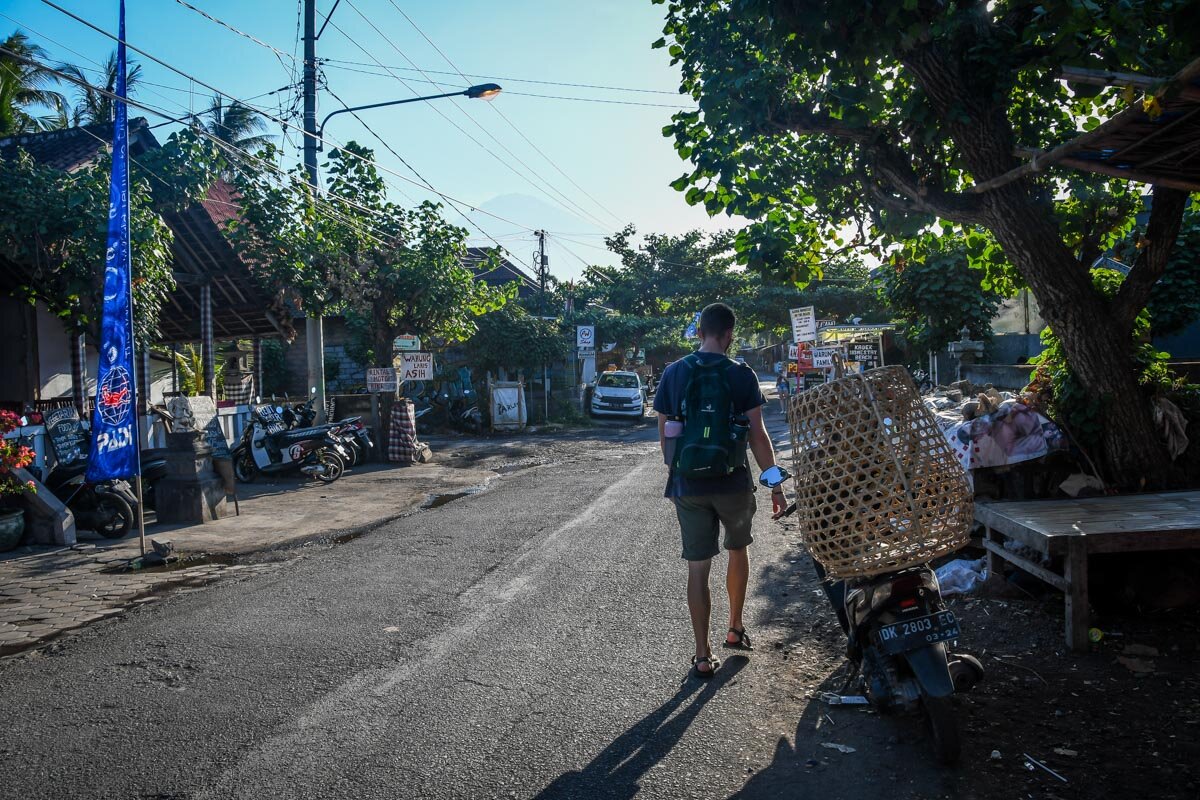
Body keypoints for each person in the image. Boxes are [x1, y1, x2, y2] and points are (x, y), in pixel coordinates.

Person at [654, 303, 789, 679]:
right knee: (737, 549)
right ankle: (734, 629)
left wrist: (680, 470)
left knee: (698, 567)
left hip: (687, 485)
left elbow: (665, 435)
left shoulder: (673, 373)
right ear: (729, 334)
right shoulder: (740, 374)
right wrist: (775, 484)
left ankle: (701, 653)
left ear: (699, 332)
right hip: (732, 481)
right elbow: (758, 435)